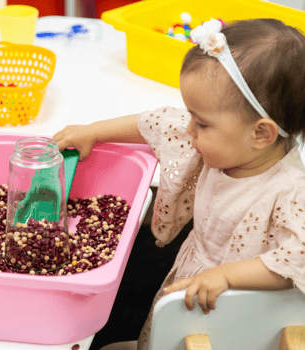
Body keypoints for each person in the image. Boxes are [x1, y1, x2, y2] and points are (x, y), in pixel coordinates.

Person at [53, 18, 305, 350]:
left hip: (236, 313)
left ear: (261, 133)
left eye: (201, 123)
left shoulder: (290, 191)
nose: (189, 131)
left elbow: (296, 259)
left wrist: (227, 276)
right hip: (193, 281)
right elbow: (157, 121)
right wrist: (94, 131)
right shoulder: (228, 147)